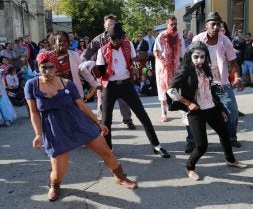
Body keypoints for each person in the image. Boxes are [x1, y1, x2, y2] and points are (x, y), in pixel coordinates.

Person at [24, 51, 137, 202]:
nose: (46, 71)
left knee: (106, 151)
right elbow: (34, 112)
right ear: (38, 67)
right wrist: (38, 134)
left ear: (56, 67)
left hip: (79, 123)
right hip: (55, 129)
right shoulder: (31, 85)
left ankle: (120, 177)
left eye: (50, 67)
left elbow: (82, 107)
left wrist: (99, 123)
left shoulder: (68, 84)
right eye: (42, 67)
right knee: (58, 172)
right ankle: (55, 185)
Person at [167, 41, 248, 180]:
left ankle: (230, 160)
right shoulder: (185, 69)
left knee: (224, 133)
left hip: (211, 107)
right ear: (190, 56)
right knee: (201, 145)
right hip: (195, 111)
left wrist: (220, 109)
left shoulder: (206, 68)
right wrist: (188, 104)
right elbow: (170, 90)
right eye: (196, 56)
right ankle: (190, 167)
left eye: (203, 57)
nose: (200, 60)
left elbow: (211, 92)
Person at [96, 22, 170, 158]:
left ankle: (156, 145)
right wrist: (95, 71)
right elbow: (98, 72)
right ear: (109, 38)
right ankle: (108, 149)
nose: (116, 41)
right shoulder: (103, 50)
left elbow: (133, 61)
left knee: (143, 115)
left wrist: (139, 70)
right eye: (113, 39)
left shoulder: (128, 45)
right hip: (110, 86)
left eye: (119, 38)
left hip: (126, 85)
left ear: (122, 37)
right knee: (106, 120)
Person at [191, 12, 244, 149]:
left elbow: (233, 63)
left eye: (218, 24)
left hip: (221, 82)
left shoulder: (225, 41)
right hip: (200, 82)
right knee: (192, 113)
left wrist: (237, 77)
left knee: (232, 110)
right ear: (206, 26)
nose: (216, 27)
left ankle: (231, 138)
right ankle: (192, 141)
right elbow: (188, 62)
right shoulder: (197, 40)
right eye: (212, 24)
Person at [81, 14, 136, 130]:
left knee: (124, 99)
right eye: (108, 24)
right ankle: (100, 122)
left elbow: (131, 56)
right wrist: (88, 65)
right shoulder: (98, 40)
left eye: (113, 24)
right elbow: (85, 55)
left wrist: (134, 68)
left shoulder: (124, 38)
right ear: (104, 25)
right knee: (101, 100)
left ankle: (128, 120)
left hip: (121, 74)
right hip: (103, 75)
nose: (111, 26)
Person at [153, 15, 186, 122]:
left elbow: (183, 52)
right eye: (172, 24)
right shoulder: (161, 36)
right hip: (163, 68)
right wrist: (165, 63)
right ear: (167, 25)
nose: (174, 26)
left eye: (175, 24)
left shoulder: (179, 36)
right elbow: (156, 52)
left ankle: (182, 109)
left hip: (176, 66)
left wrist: (185, 63)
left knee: (177, 88)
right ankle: (164, 113)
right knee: (163, 90)